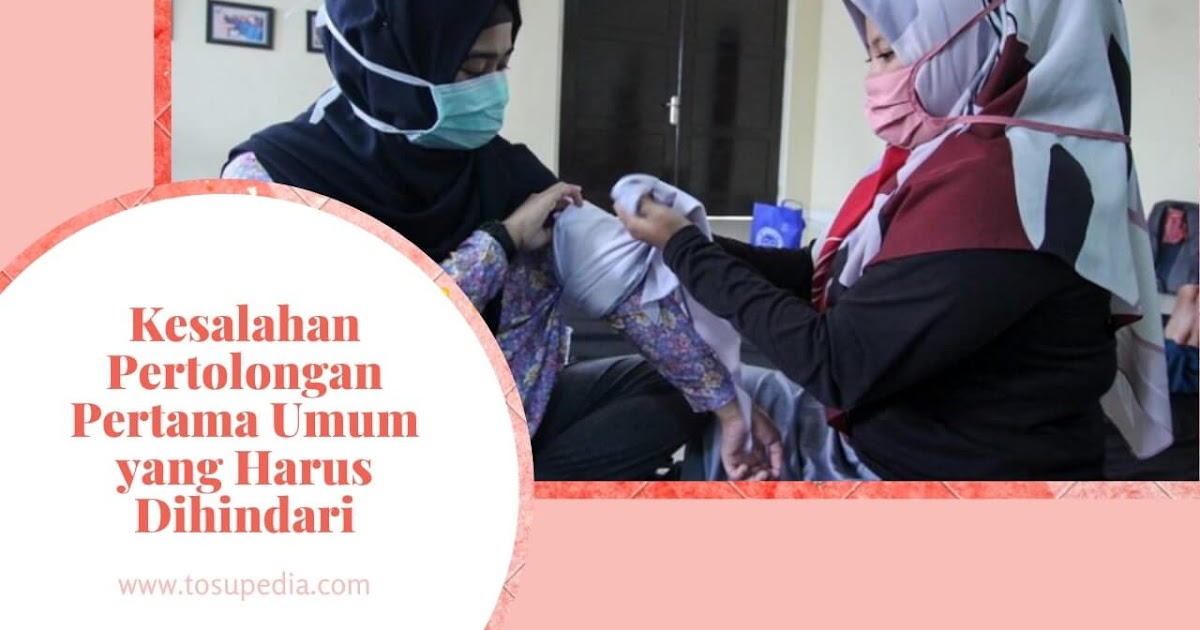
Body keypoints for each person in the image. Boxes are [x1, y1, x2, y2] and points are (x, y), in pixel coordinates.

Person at [220, 0, 782, 480]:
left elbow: (631, 298)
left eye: (503, 64)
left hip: (508, 413)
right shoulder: (272, 179)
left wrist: (728, 406)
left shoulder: (506, 172)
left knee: (684, 391)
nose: (492, 88)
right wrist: (503, 240)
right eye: (472, 68)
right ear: (391, 64)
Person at [618, 0, 1174, 481]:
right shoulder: (958, 158)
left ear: (979, 41)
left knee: (713, 407)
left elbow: (834, 362)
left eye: (887, 54)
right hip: (896, 434)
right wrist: (691, 238)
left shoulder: (999, 188)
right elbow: (822, 275)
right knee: (701, 393)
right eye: (872, 57)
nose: (875, 81)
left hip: (937, 476)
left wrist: (685, 248)